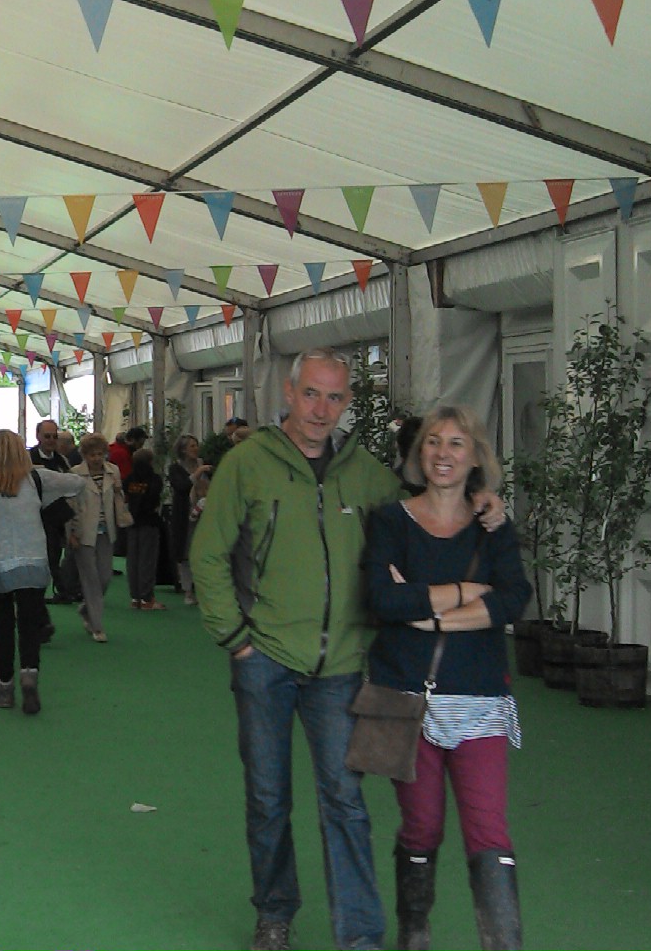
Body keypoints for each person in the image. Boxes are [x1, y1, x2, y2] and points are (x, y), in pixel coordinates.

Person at [193, 349, 503, 951]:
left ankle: (359, 937)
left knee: (345, 800)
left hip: (340, 668)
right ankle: (274, 913)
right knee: (267, 798)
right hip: (264, 659)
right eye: (311, 394)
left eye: (334, 397)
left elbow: (428, 509)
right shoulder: (247, 463)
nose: (321, 409)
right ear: (289, 393)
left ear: (348, 402)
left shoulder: (365, 473)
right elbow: (208, 553)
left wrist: (481, 498)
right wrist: (235, 638)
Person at [364, 405, 531, 951]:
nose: (443, 453)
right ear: (419, 453)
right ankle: (414, 933)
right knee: (421, 826)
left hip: (478, 698)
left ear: (475, 456)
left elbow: (513, 599)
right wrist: (466, 593)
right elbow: (382, 599)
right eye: (434, 441)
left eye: (457, 443)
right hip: (399, 698)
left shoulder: (492, 526)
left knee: (488, 830)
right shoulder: (390, 521)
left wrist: (429, 614)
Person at [0, 430, 84, 714]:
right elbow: (77, 483)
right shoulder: (37, 478)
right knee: (29, 624)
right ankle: (29, 676)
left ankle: (4, 688)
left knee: (2, 625)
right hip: (33, 562)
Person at [68, 434, 131, 643]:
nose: (96, 458)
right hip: (83, 532)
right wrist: (71, 533)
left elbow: (118, 499)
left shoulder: (113, 471)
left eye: (100, 454)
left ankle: (86, 609)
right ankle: (97, 626)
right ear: (84, 455)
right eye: (92, 455)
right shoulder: (75, 474)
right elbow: (71, 505)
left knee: (105, 577)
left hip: (107, 530)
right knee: (91, 580)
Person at [31, 421, 79, 607]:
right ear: (38, 436)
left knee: (54, 555)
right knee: (42, 557)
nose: (51, 440)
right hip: (35, 516)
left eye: (54, 436)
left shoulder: (62, 460)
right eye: (47, 436)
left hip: (57, 517)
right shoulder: (28, 458)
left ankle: (60, 590)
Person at [122, 447, 166, 610]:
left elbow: (126, 494)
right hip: (149, 521)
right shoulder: (154, 479)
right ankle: (147, 598)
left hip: (132, 521)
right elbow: (154, 496)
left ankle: (135, 597)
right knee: (147, 560)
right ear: (150, 461)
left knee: (133, 560)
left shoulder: (129, 479)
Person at [167, 434, 202, 604]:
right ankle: (188, 590)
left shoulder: (204, 464)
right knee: (185, 553)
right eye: (191, 446)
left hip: (204, 514)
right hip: (184, 516)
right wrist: (197, 474)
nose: (195, 449)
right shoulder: (175, 469)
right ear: (183, 450)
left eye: (196, 445)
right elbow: (181, 487)